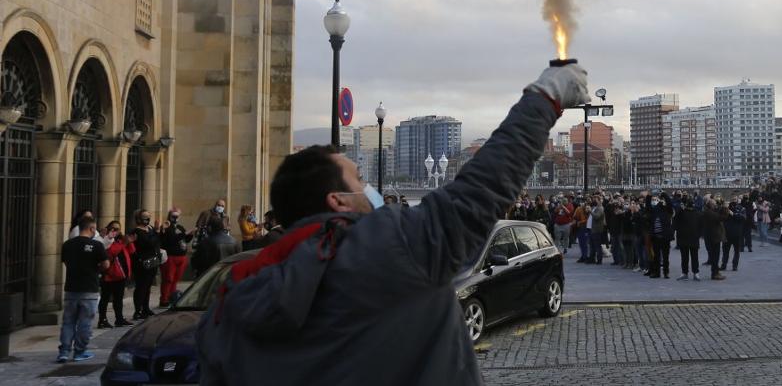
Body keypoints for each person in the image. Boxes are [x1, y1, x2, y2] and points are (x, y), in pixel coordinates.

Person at [197, 61, 588, 385]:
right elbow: (481, 191)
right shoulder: (385, 247)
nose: (369, 189)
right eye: (359, 179)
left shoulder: (230, 301)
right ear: (337, 202)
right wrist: (545, 97)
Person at [58, 213, 109, 363]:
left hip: (71, 288)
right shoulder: (97, 245)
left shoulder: (67, 245)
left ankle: (64, 351)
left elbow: (66, 263)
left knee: (68, 321)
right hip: (89, 288)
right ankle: (80, 351)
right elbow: (106, 264)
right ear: (92, 228)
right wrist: (96, 269)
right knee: (85, 322)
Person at [98, 221, 133, 329]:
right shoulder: (106, 240)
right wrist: (124, 243)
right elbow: (110, 252)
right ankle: (102, 320)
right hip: (109, 275)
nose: (115, 231)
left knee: (118, 299)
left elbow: (131, 251)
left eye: (117, 229)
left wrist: (128, 242)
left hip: (120, 275)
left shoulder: (120, 240)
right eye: (113, 229)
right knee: (105, 298)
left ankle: (119, 318)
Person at [159, 207, 193, 306]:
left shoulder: (180, 227)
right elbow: (170, 239)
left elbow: (185, 239)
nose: (175, 218)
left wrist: (190, 235)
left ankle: (171, 297)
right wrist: (183, 234)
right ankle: (164, 299)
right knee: (168, 279)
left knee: (175, 279)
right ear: (169, 216)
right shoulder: (166, 227)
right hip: (171, 257)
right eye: (173, 216)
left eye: (177, 216)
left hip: (181, 256)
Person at [130, 209, 161, 320]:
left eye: (149, 217)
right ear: (138, 219)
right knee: (141, 287)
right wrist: (156, 232)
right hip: (142, 262)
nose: (148, 219)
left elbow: (157, 242)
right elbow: (147, 243)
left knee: (148, 286)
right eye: (145, 217)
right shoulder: (136, 231)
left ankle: (145, 308)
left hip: (152, 261)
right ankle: (138, 310)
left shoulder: (150, 228)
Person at [673, 196, 701, 280]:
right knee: (693, 257)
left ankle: (686, 273)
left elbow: (675, 222)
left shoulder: (683, 212)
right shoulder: (696, 212)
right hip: (691, 238)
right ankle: (694, 273)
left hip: (685, 238)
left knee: (686, 257)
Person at [645, 194, 672, 279]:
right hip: (656, 236)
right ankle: (657, 272)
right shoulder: (654, 212)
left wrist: (664, 195)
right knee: (656, 256)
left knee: (665, 256)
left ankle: (666, 272)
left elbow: (670, 204)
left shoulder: (667, 211)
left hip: (665, 237)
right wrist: (649, 197)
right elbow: (648, 207)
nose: (658, 203)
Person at [701, 197, 726, 280]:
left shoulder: (707, 212)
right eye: (714, 204)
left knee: (714, 256)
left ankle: (716, 272)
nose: (716, 205)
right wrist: (725, 208)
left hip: (711, 237)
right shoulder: (709, 213)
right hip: (713, 237)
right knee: (715, 256)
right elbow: (721, 217)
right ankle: (715, 273)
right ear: (711, 205)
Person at [721, 198, 744, 272]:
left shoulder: (741, 208)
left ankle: (735, 266)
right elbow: (721, 217)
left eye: (735, 199)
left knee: (736, 251)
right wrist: (724, 208)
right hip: (727, 233)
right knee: (725, 251)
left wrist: (733, 214)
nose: (734, 200)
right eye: (733, 199)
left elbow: (742, 218)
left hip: (737, 233)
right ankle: (724, 265)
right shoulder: (726, 208)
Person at [589, 195, 606, 264]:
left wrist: (590, 211)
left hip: (597, 229)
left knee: (597, 245)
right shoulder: (595, 207)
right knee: (592, 245)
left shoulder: (600, 208)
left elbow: (597, 217)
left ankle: (599, 260)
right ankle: (592, 259)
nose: (594, 201)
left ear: (599, 200)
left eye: (595, 200)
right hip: (592, 229)